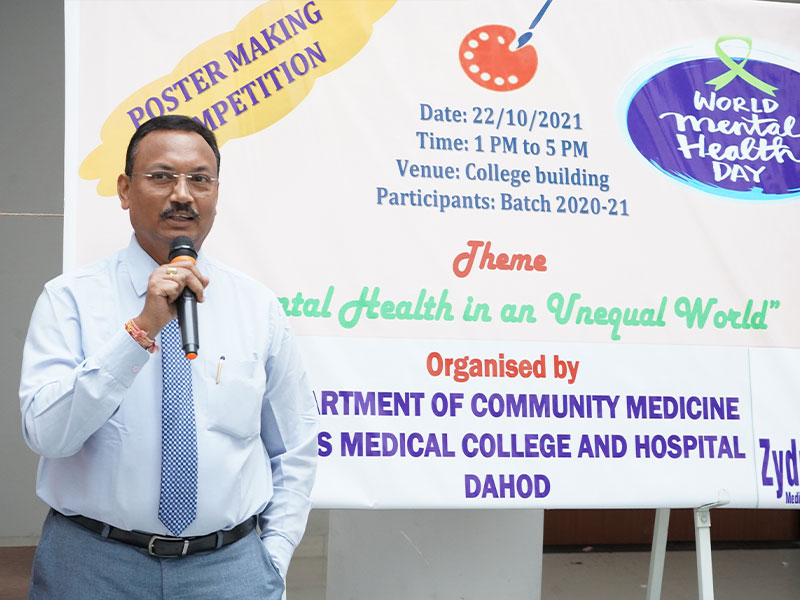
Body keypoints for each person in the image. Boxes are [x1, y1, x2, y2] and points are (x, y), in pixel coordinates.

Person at [19, 115, 319, 599]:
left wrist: (273, 556)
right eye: (161, 176)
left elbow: (294, 446)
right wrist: (140, 330)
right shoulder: (69, 299)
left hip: (229, 570)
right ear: (124, 190)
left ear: (216, 193)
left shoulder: (256, 307)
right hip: (93, 566)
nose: (182, 194)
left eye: (200, 179)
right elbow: (48, 435)